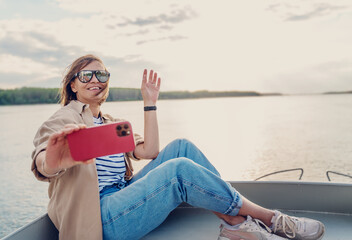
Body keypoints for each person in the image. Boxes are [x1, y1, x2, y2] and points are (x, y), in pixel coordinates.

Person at [31, 54, 325, 240]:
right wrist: (53, 160)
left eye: (102, 75)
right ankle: (270, 219)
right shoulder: (63, 119)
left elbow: (150, 152)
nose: (96, 80)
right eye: (87, 75)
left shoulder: (110, 123)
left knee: (182, 148)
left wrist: (149, 103)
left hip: (123, 197)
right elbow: (43, 160)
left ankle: (236, 226)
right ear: (73, 84)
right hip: (101, 218)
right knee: (179, 171)